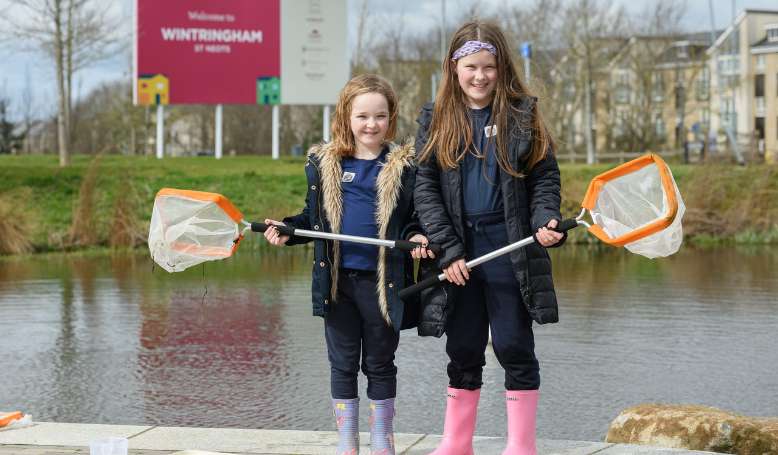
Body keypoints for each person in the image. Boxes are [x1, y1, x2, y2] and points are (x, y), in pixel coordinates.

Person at [413, 21, 565, 455]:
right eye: (470, 67)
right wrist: (449, 252)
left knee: (513, 344)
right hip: (458, 251)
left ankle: (521, 446)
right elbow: (424, 188)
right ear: (453, 67)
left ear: (502, 67)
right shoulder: (435, 118)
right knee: (462, 346)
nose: (480, 76)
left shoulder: (523, 114)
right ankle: (456, 443)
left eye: (489, 67)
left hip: (509, 246)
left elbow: (544, 179)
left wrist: (547, 219)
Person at [263, 73, 434, 455]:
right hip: (339, 283)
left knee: (380, 362)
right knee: (342, 363)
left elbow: (416, 219)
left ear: (391, 118)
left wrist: (420, 237)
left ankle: (381, 440)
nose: (371, 124)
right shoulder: (326, 164)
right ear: (346, 117)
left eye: (380, 116)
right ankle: (346, 442)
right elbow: (312, 221)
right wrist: (289, 229)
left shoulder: (405, 166)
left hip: (383, 283)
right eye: (362, 116)